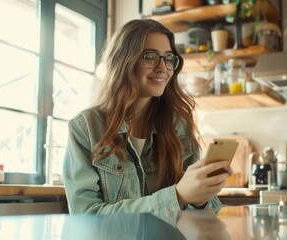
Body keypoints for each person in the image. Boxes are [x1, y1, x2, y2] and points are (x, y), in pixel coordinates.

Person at [63, 19, 232, 216]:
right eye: (150, 57)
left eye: (168, 58)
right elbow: (86, 216)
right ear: (124, 60)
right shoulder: (86, 127)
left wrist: (202, 197)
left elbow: (207, 214)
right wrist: (177, 196)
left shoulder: (179, 126)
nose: (163, 68)